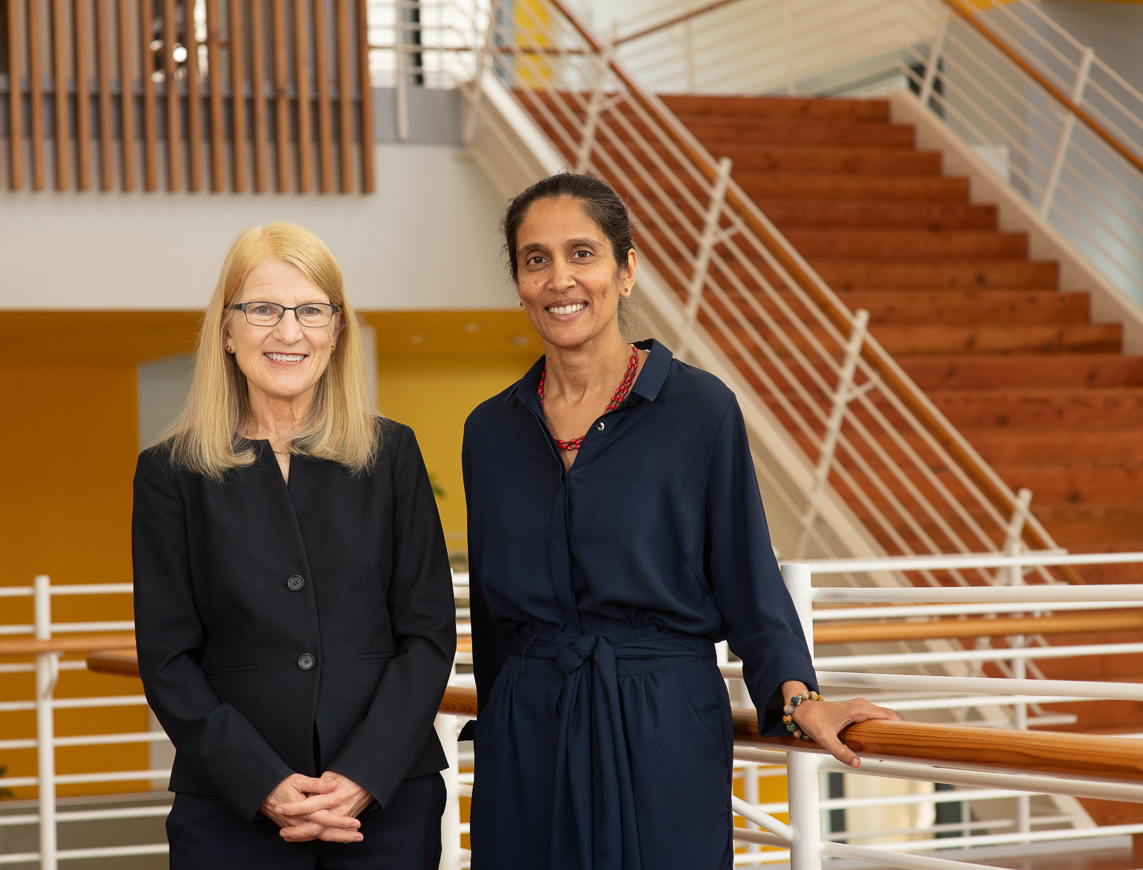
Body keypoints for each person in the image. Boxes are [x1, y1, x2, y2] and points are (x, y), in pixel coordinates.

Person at [463, 173, 899, 869]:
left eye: (582, 254)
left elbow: (748, 580)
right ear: (519, 284)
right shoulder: (489, 432)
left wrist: (798, 698)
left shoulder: (700, 410)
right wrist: (497, 728)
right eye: (535, 259)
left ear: (626, 270)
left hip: (662, 723)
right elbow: (492, 619)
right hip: (527, 732)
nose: (559, 279)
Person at [132, 222, 456, 869]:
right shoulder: (170, 472)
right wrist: (261, 783)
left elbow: (427, 633)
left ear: (336, 331)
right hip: (230, 809)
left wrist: (363, 774)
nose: (288, 332)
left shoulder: (392, 453)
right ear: (227, 331)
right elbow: (167, 658)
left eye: (311, 310)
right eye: (262, 309)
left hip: (385, 805)